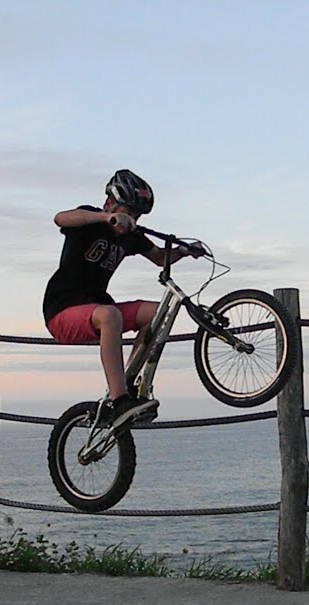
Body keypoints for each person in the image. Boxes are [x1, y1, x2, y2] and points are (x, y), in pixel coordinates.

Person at [42, 169, 204, 431]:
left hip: (98, 308)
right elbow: (60, 218)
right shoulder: (89, 219)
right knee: (110, 315)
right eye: (127, 212)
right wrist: (107, 218)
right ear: (109, 204)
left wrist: (184, 252)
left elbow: (159, 257)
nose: (131, 219)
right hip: (62, 310)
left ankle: (128, 382)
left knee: (158, 313)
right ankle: (119, 400)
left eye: (136, 215)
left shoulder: (130, 236)